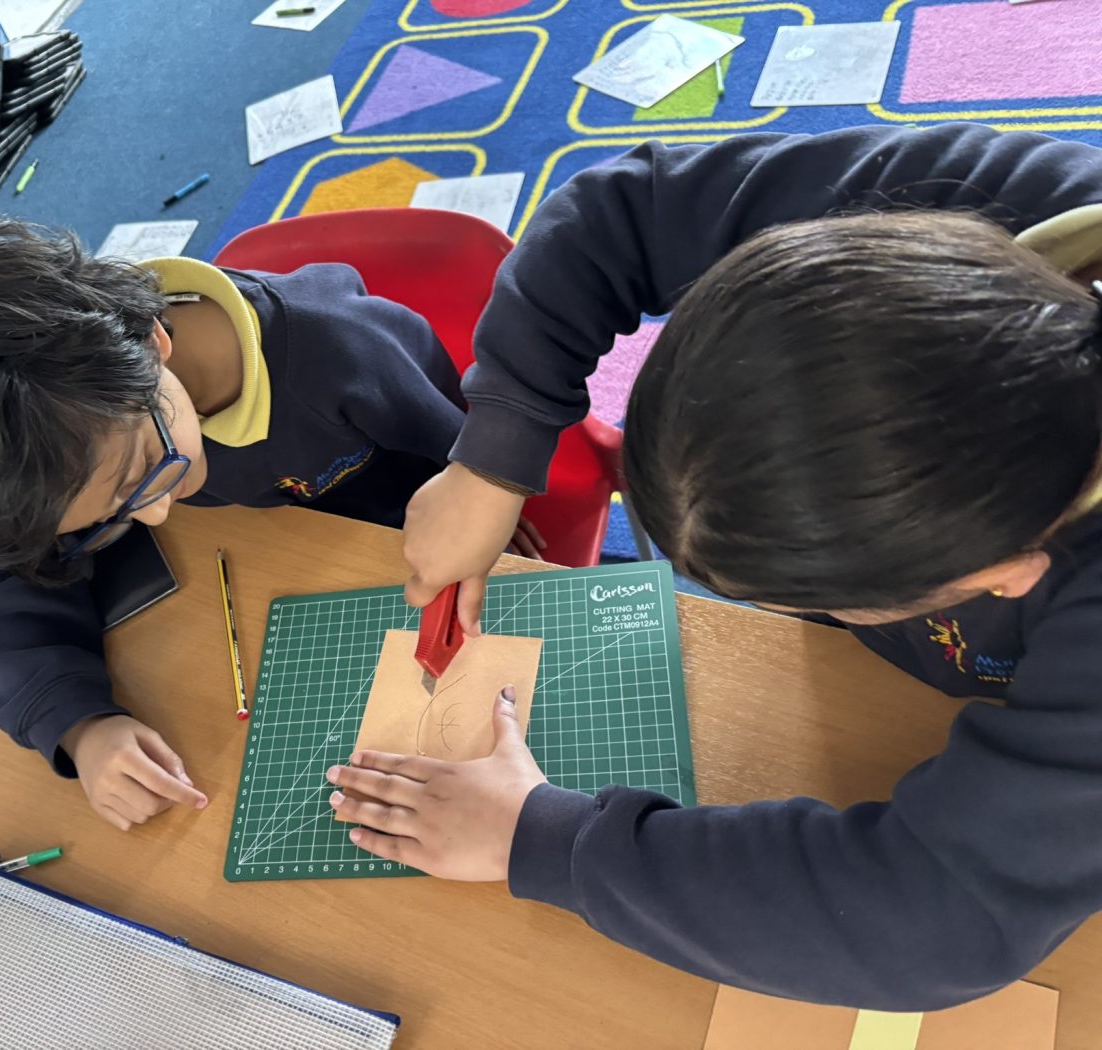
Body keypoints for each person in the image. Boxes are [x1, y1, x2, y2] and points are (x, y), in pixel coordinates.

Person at [325, 123, 1102, 1009]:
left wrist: (542, 840)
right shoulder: (951, 211)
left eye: (817, 593)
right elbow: (619, 212)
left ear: (1009, 572)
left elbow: (934, 918)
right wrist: (494, 457)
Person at [0, 220, 542, 832]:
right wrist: (82, 727)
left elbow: (473, 463)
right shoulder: (72, 442)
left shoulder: (341, 352)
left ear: (154, 341)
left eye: (144, 472)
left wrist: (493, 506)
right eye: (114, 512)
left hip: (401, 535)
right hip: (283, 557)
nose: (156, 513)